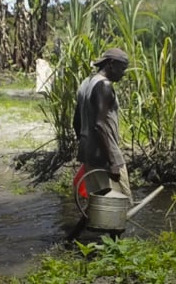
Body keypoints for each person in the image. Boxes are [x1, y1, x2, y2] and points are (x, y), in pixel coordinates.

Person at [67, 48, 133, 240]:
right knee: (120, 206)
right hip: (106, 154)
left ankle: (69, 241)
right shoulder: (104, 86)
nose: (123, 73)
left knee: (97, 205)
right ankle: (117, 252)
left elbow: (76, 123)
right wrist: (112, 160)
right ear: (111, 64)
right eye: (122, 68)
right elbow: (100, 125)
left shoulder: (86, 84)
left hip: (89, 154)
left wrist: (87, 146)